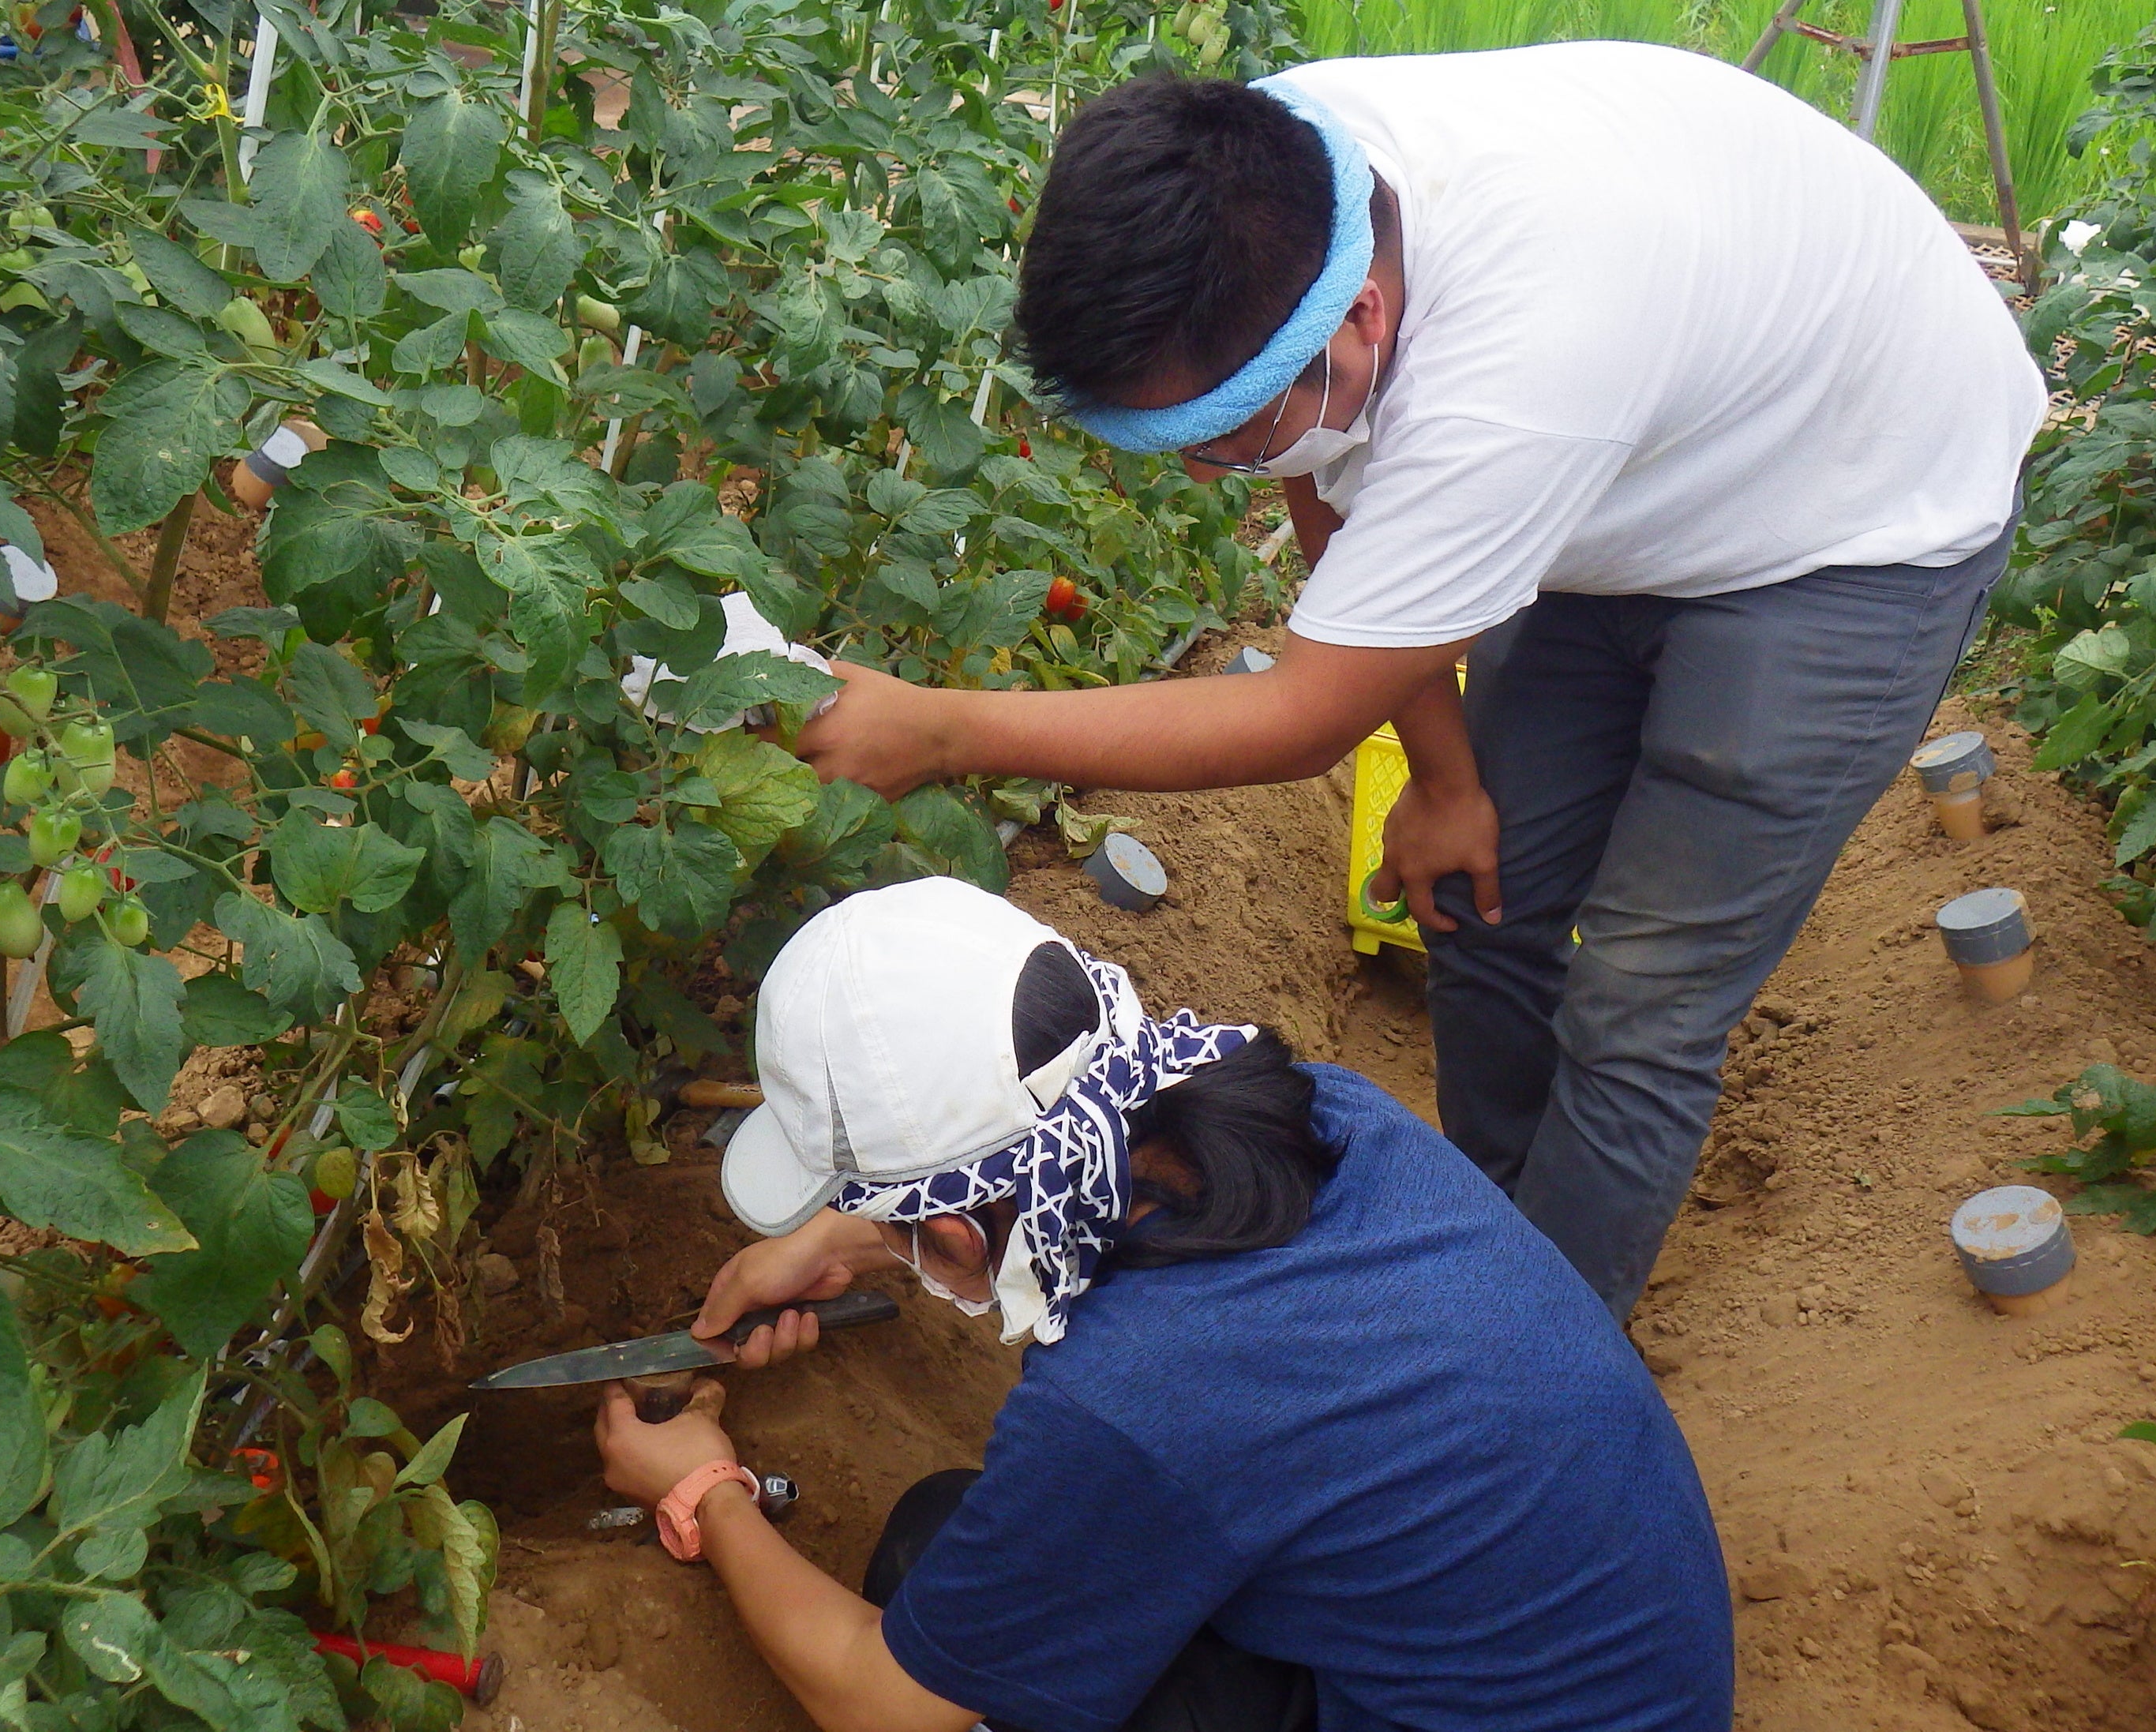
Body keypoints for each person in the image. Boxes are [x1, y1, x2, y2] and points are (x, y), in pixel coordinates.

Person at [786, 46, 2046, 1321]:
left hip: (1859, 511)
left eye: (1223, 431)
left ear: (1363, 321)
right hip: (1667, 435)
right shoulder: (1277, 173)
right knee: (1479, 899)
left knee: (1638, 1014)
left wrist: (945, 730)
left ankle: (1525, 1372)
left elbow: (1304, 713)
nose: (1212, 474)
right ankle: (1495, 1232)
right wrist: (1443, 781)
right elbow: (1317, 472)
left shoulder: (1515, 378)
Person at [589, 877, 1733, 1732]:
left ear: (952, 1227)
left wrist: (705, 1488)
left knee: (936, 1581)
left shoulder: (1135, 1398)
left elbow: (877, 1700)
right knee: (964, 1538)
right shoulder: (1326, 1113)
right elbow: (1059, 1192)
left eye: (899, 1224)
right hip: (1623, 1674)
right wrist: (855, 1242)